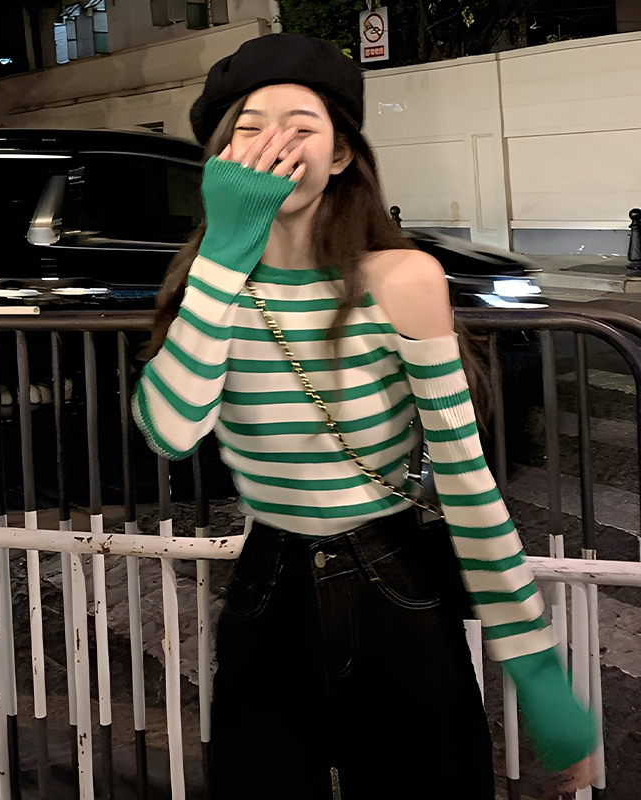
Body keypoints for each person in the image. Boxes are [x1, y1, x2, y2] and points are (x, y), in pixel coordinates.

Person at [132, 33, 595, 799]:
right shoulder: (209, 290)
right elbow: (170, 431)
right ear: (222, 159)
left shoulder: (401, 279)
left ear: (342, 154)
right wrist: (224, 255)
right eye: (250, 128)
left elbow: (465, 479)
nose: (276, 144)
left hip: (393, 582)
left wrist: (538, 674)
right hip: (266, 586)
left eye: (301, 126)